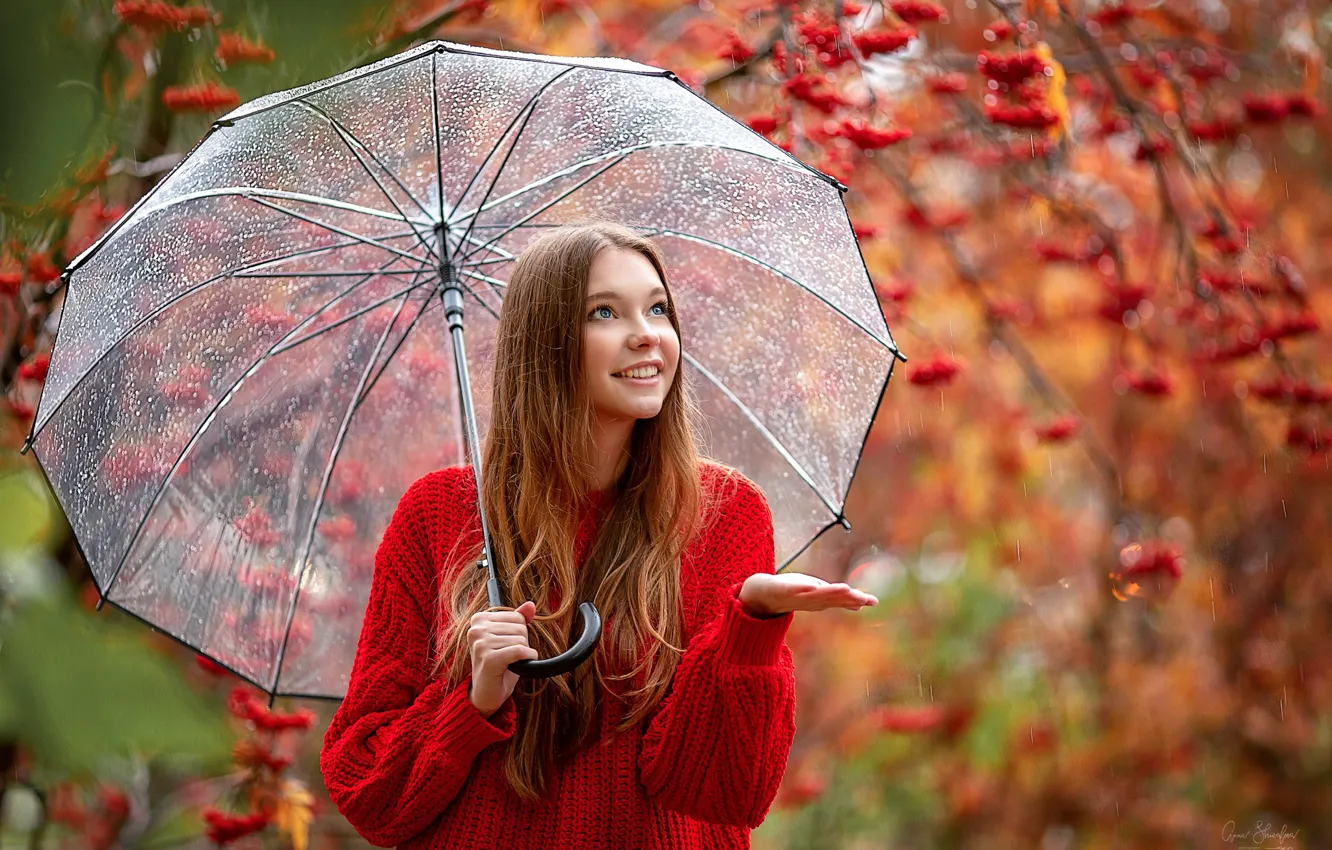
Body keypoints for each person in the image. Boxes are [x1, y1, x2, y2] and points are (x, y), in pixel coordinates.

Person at [319, 221, 878, 849]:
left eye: (658, 308)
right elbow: (369, 795)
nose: (646, 334)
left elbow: (725, 795)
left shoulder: (723, 514)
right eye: (605, 312)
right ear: (546, 343)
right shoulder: (440, 515)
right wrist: (470, 704)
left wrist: (749, 626)